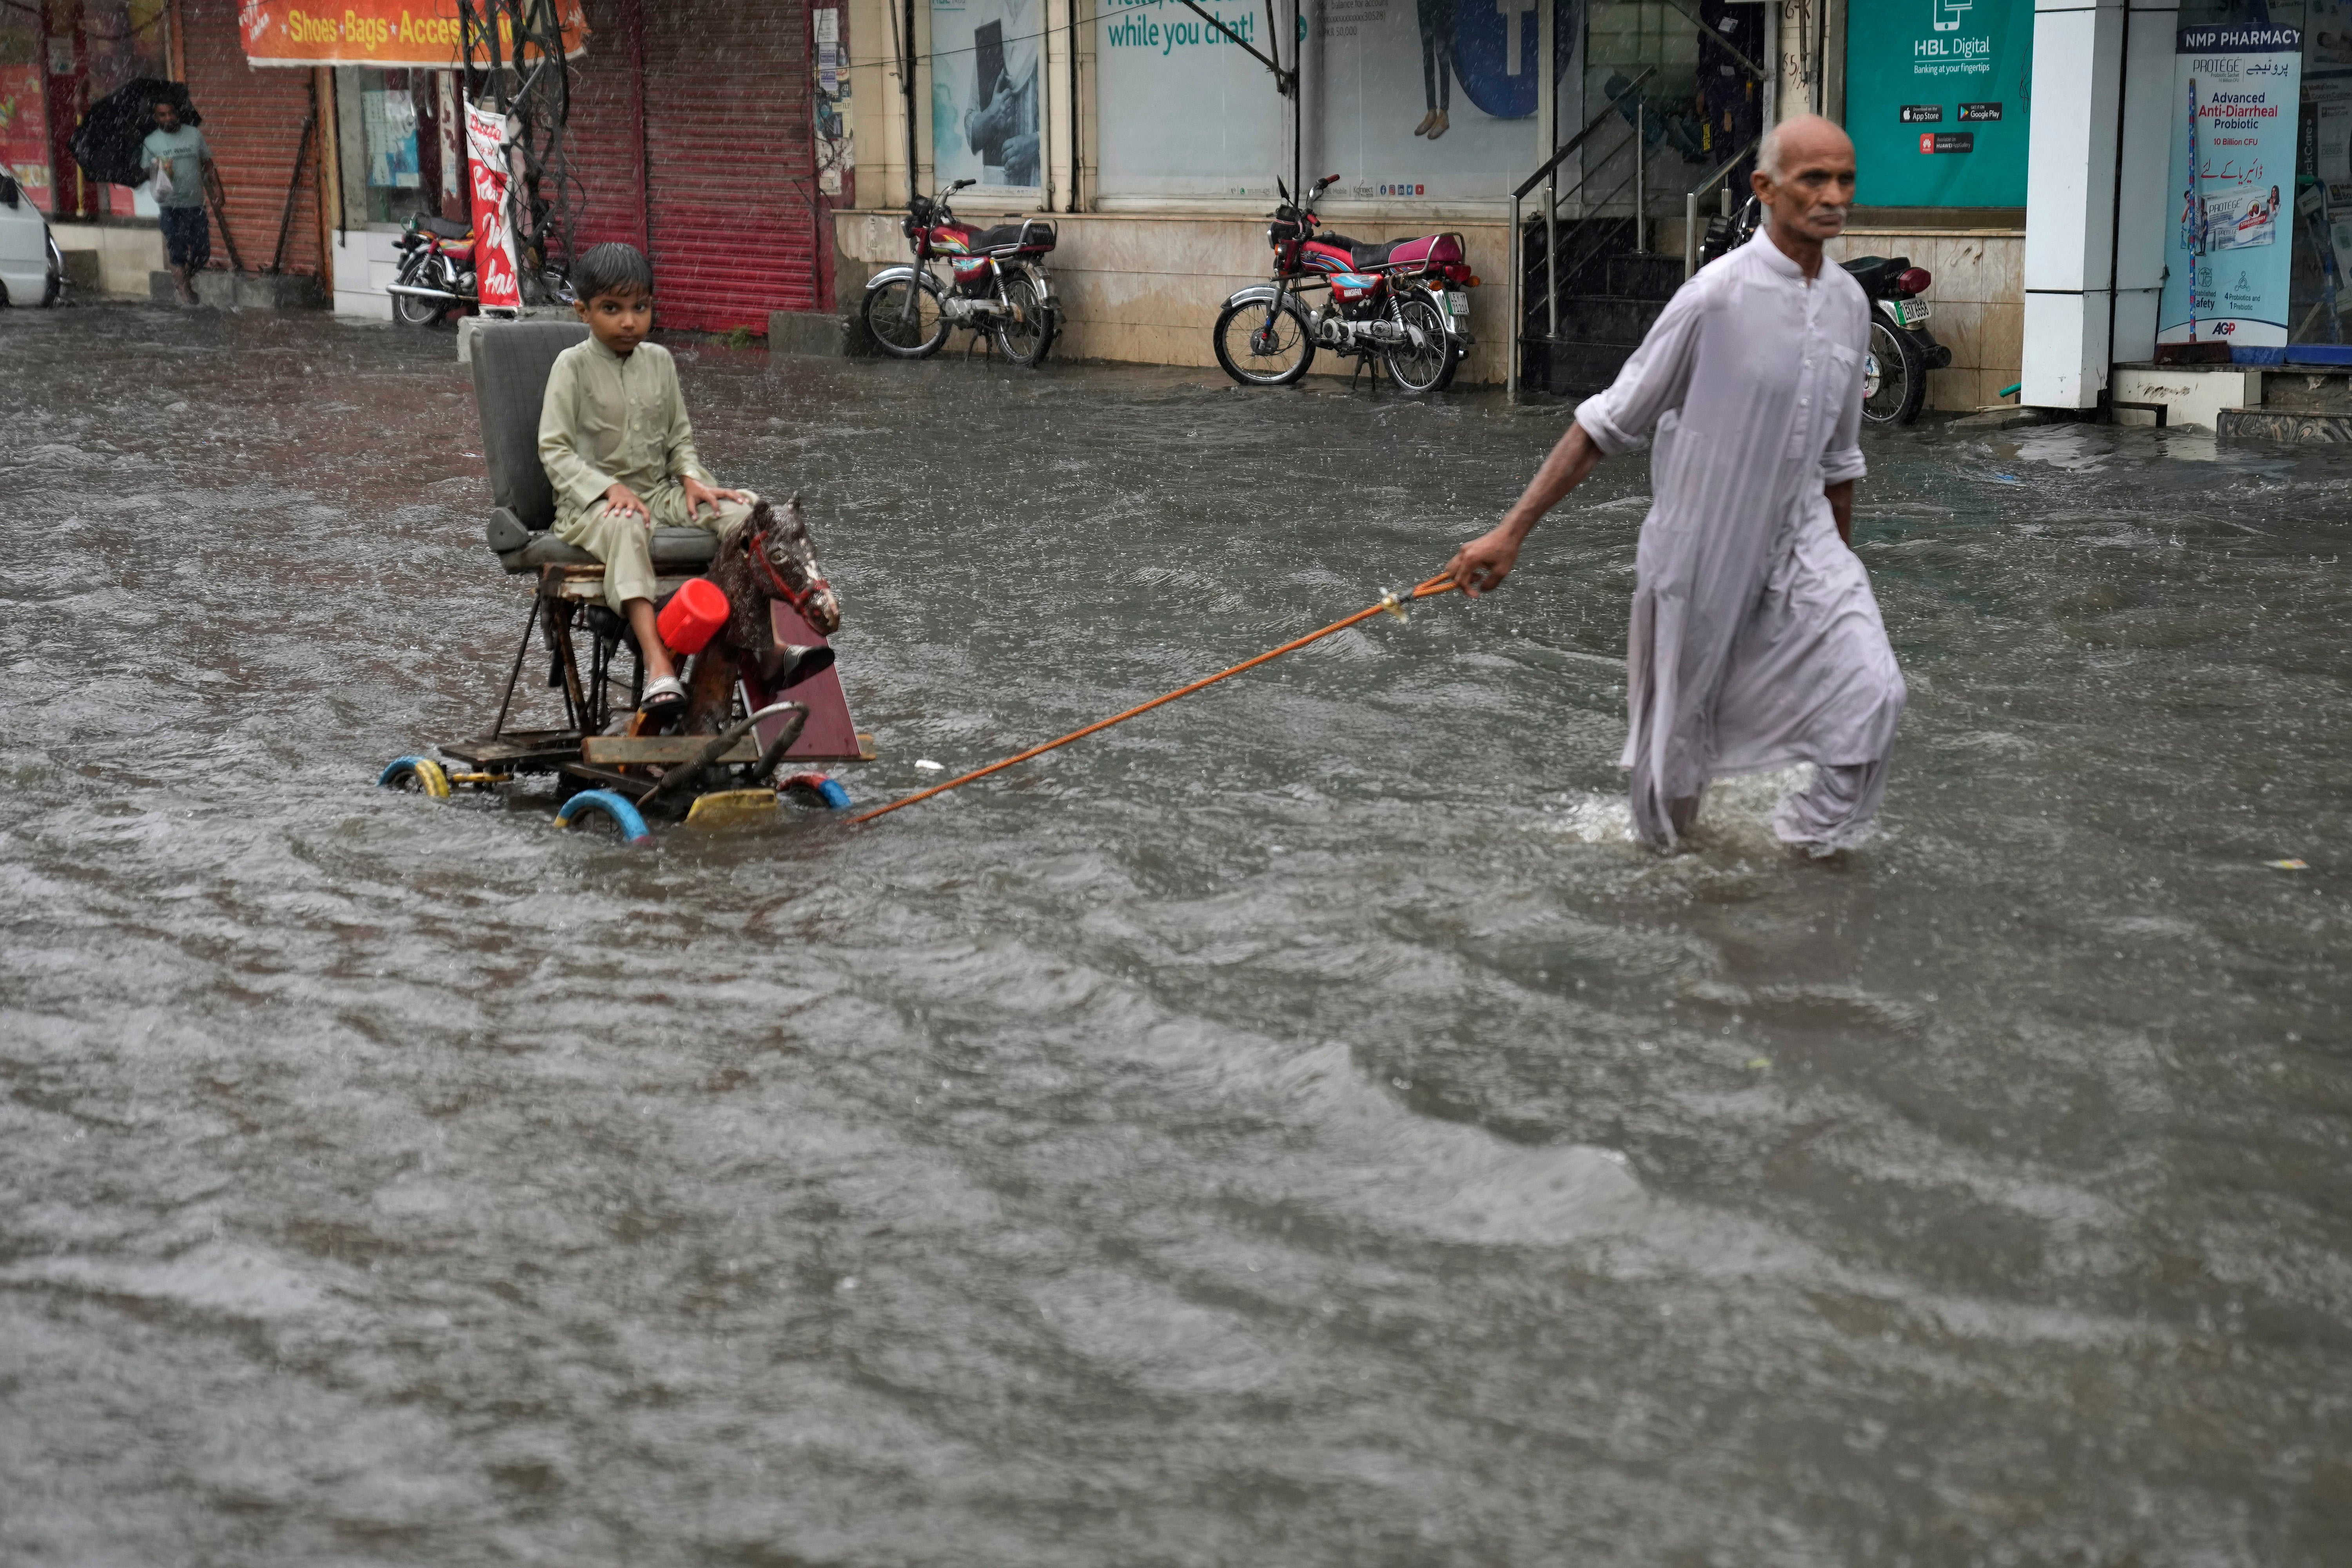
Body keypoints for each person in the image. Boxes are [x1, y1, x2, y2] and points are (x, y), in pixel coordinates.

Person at [1444, 113, 1906, 855]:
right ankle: (1669, 885)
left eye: (1845, 179)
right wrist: (1511, 531)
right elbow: (1606, 425)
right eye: (1814, 179)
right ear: (1765, 188)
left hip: (1804, 539)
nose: (1833, 196)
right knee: (1675, 754)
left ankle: (1807, 857)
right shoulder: (1713, 298)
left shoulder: (1851, 304)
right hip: (1701, 546)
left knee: (1873, 693)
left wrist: (1838, 578)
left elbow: (1840, 462)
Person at [539, 242, 759, 718]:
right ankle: (659, 664)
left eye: (640, 308)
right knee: (626, 523)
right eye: (612, 310)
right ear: (583, 311)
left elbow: (680, 440)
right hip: (589, 510)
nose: (628, 322)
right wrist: (606, 489)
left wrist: (693, 480)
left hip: (659, 495)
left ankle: (772, 646)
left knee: (748, 510)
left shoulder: (659, 361)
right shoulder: (571, 367)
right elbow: (553, 450)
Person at [142, 97, 221, 305]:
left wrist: (217, 190)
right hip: (170, 207)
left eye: (171, 113)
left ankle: (183, 278)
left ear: (177, 114)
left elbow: (208, 163)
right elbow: (144, 172)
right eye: (163, 115)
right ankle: (186, 293)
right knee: (177, 251)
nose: (169, 118)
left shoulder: (193, 135)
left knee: (202, 252)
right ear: (156, 118)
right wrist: (157, 167)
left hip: (196, 204)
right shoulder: (151, 143)